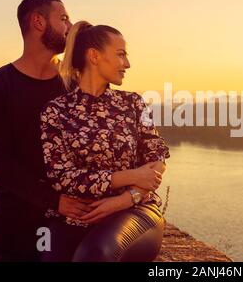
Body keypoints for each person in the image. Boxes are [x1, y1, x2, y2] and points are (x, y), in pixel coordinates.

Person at [0, 0, 95, 261]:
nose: (70, 25)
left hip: (74, 230)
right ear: (38, 22)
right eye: (63, 18)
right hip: (17, 231)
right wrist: (56, 201)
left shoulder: (76, 86)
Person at [39, 20, 170, 262]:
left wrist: (122, 199)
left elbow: (157, 160)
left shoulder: (133, 103)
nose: (127, 64)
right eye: (120, 55)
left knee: (95, 255)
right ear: (94, 56)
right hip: (76, 215)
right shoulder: (56, 111)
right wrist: (130, 176)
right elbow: (62, 176)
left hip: (135, 210)